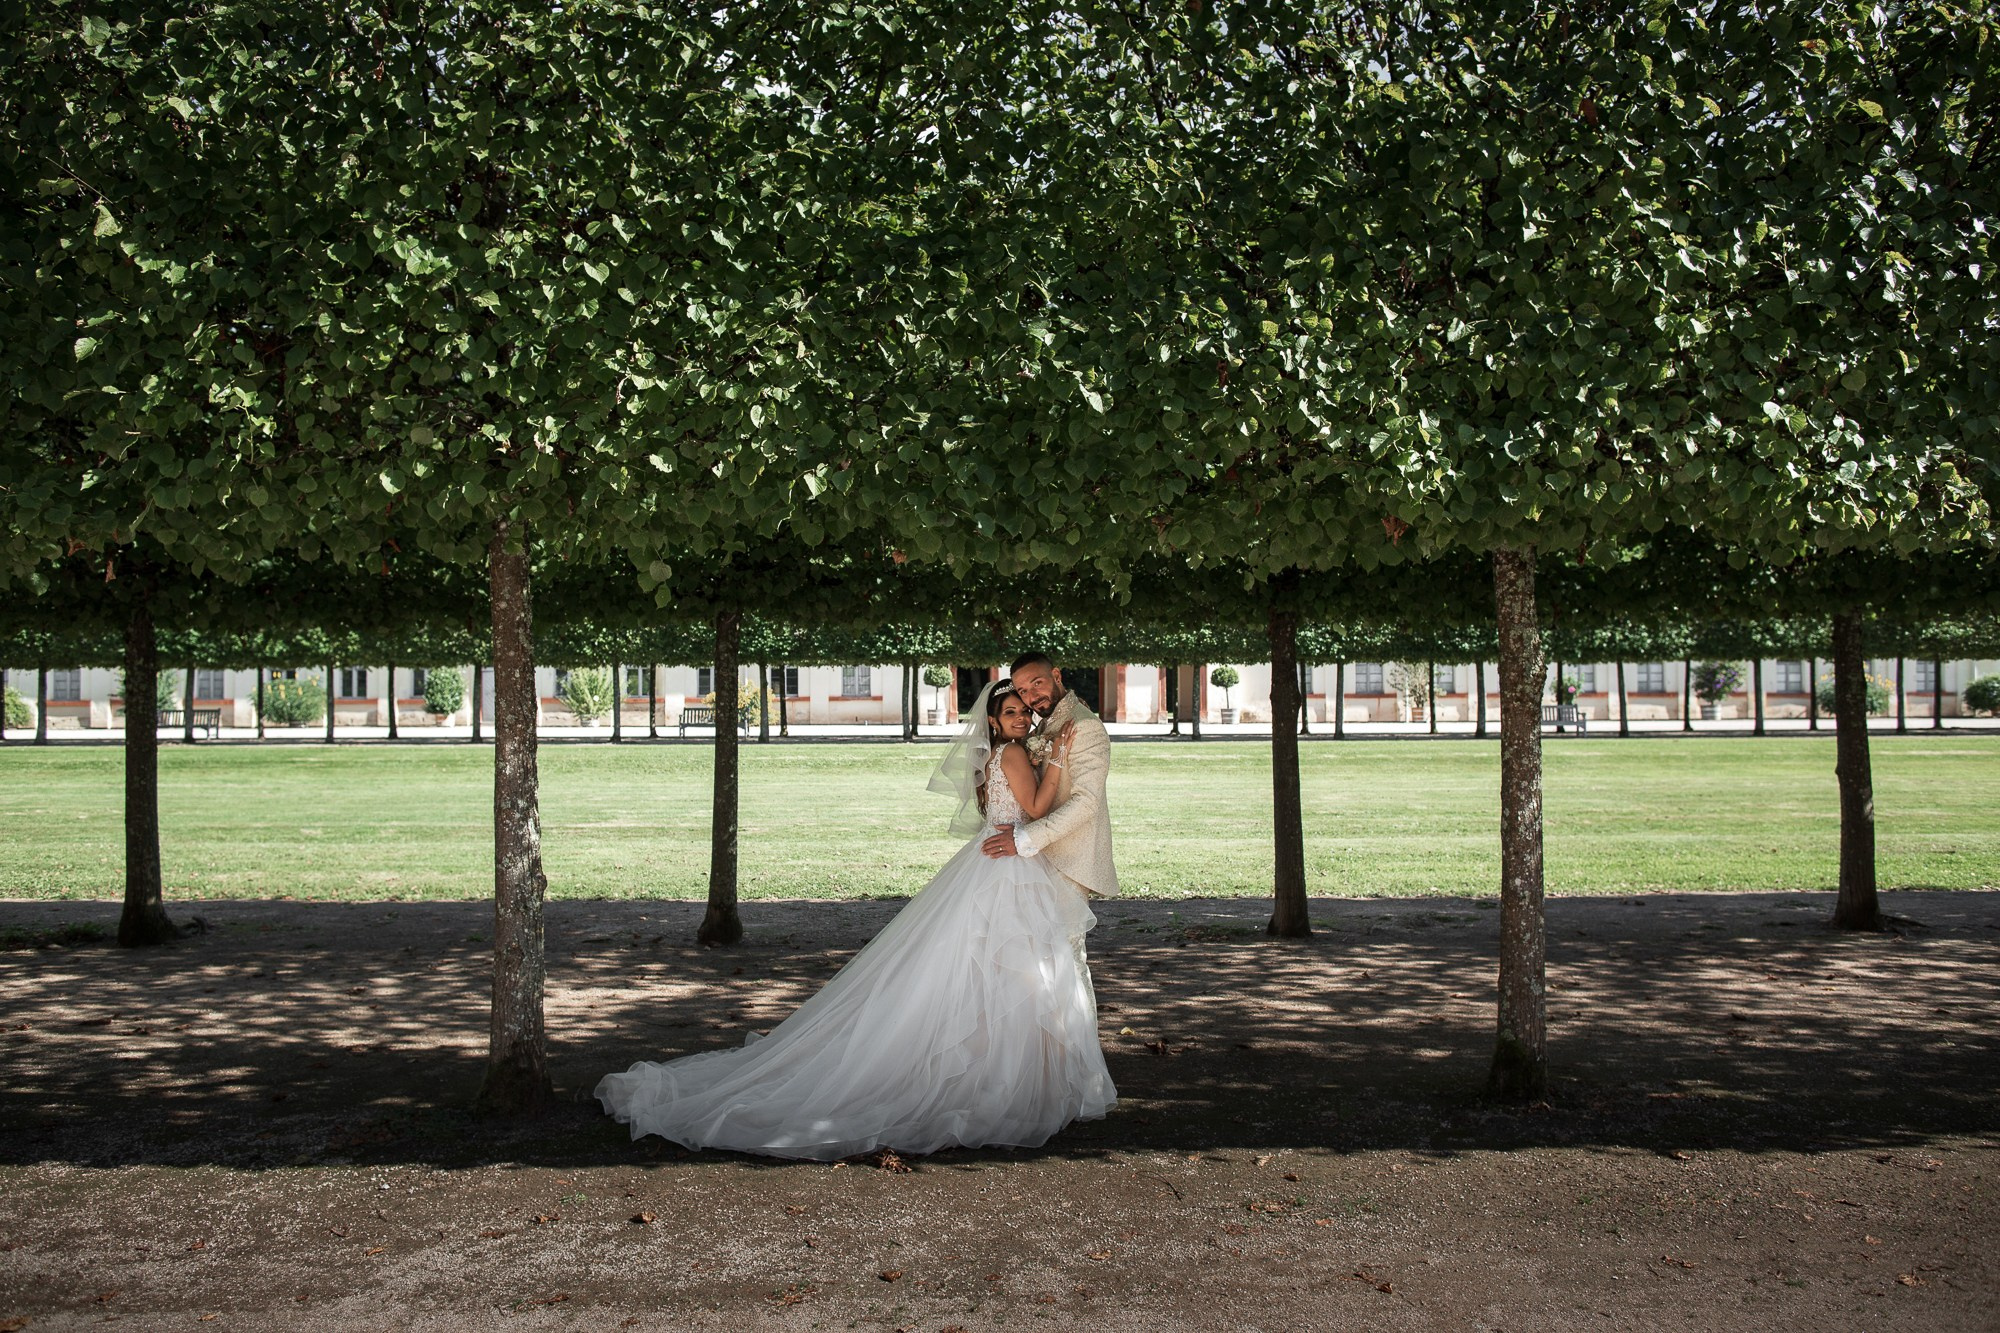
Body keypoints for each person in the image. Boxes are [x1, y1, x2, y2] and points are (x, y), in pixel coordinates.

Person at [595, 679, 1116, 1161]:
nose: (1022, 717)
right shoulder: (1016, 759)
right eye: (1011, 711)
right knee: (1012, 972)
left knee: (981, 973)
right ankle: (1003, 1085)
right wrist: (1062, 758)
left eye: (1024, 710)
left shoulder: (1001, 756)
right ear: (995, 723)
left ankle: (999, 1076)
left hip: (994, 860)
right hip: (1008, 870)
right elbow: (1042, 804)